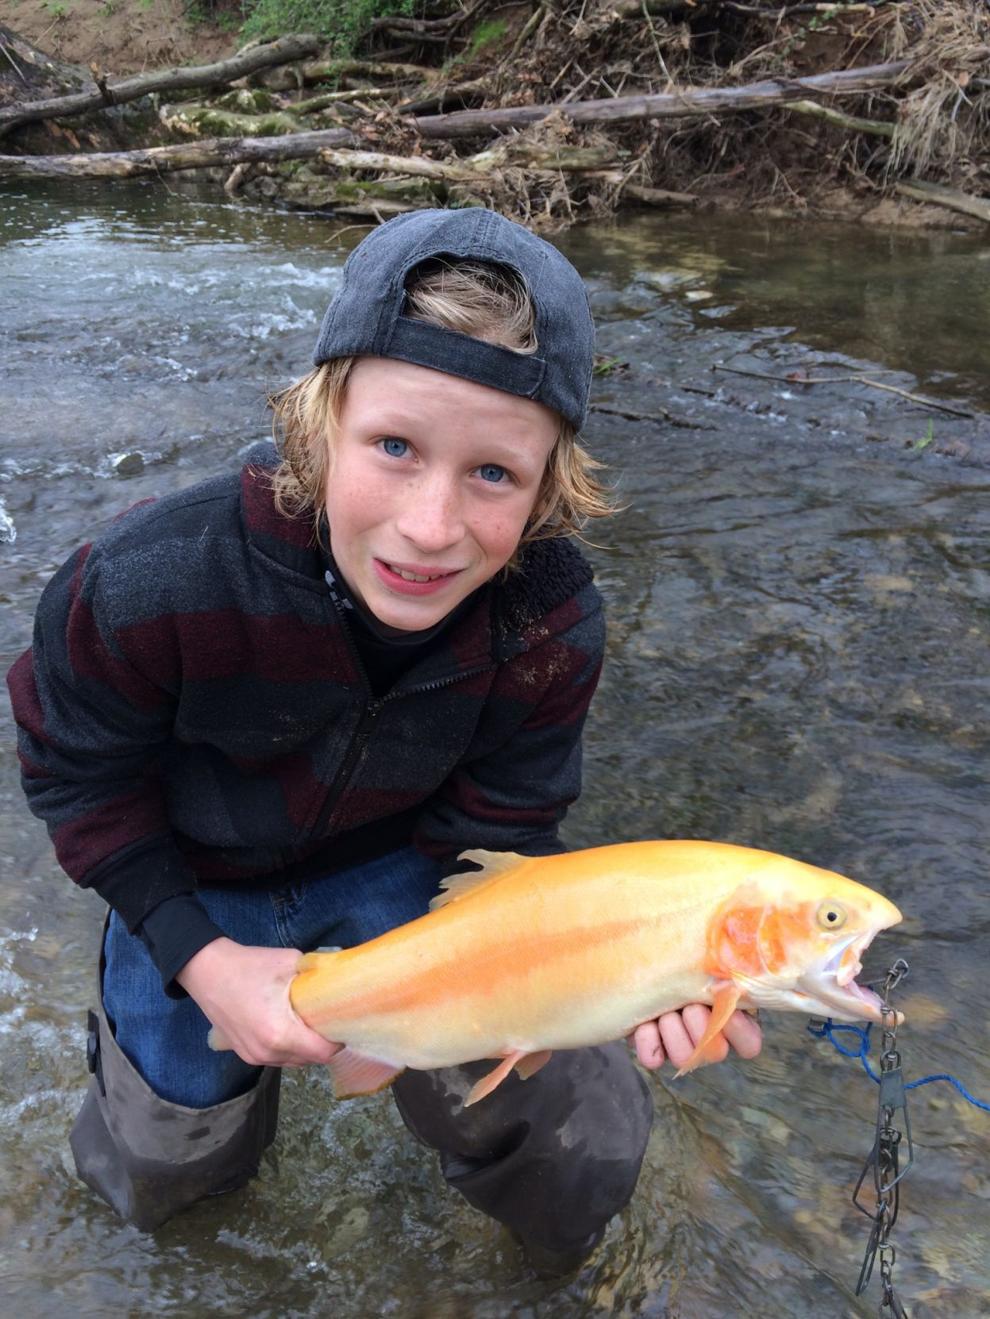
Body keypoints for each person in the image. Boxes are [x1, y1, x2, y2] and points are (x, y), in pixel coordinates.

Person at [7, 207, 761, 1268]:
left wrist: (623, 979)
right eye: (394, 447)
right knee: (161, 1160)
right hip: (187, 876)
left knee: (573, 1127)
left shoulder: (547, 624)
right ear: (319, 424)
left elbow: (504, 836)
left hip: (412, 871)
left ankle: (556, 1276)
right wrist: (203, 957)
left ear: (552, 486)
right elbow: (80, 782)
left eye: (493, 473)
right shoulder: (145, 581)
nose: (430, 524)